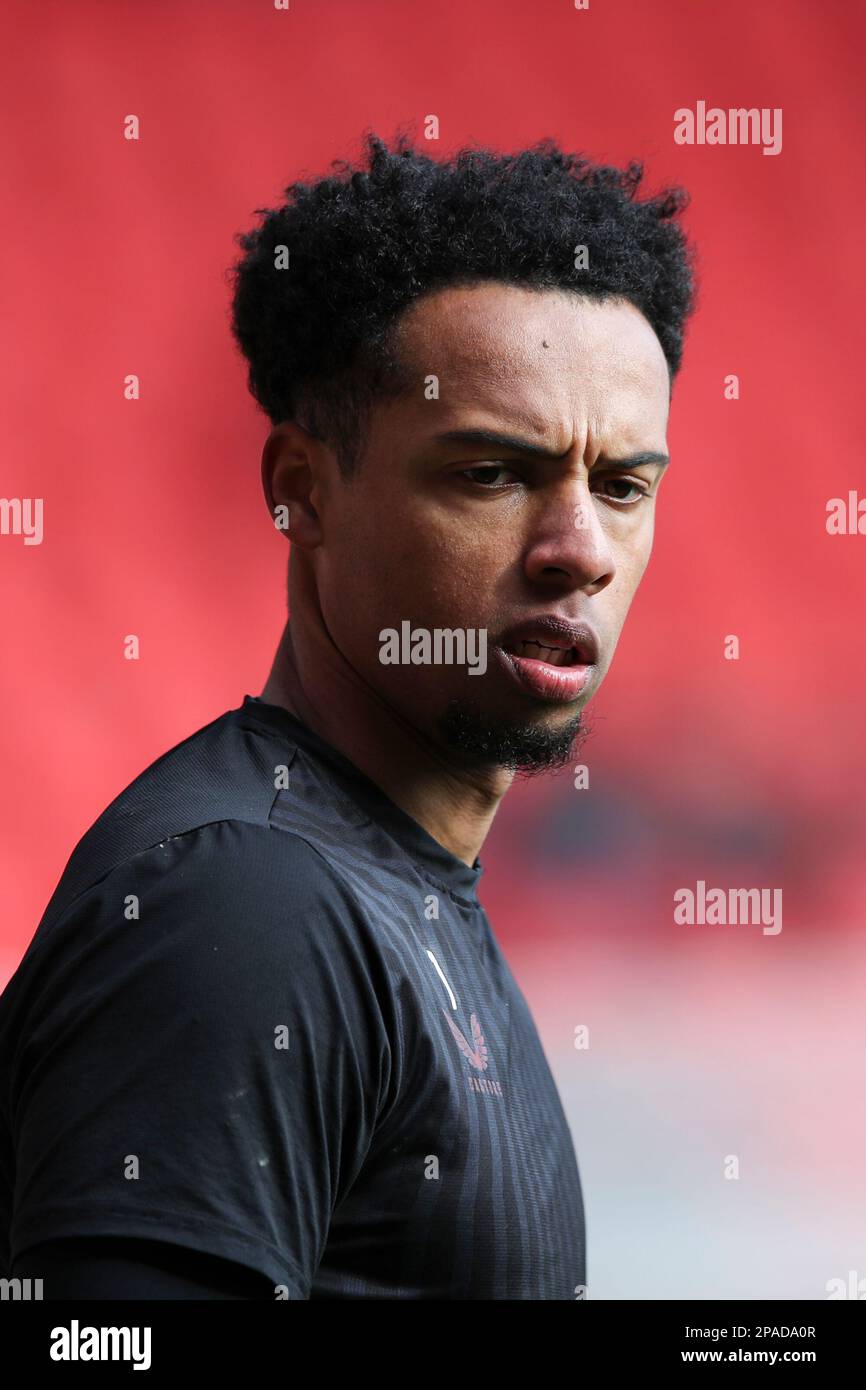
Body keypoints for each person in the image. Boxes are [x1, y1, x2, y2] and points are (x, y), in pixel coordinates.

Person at [0, 130, 696, 1299]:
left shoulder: (382, 883)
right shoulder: (245, 906)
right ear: (301, 494)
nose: (579, 551)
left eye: (621, 486)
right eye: (491, 474)